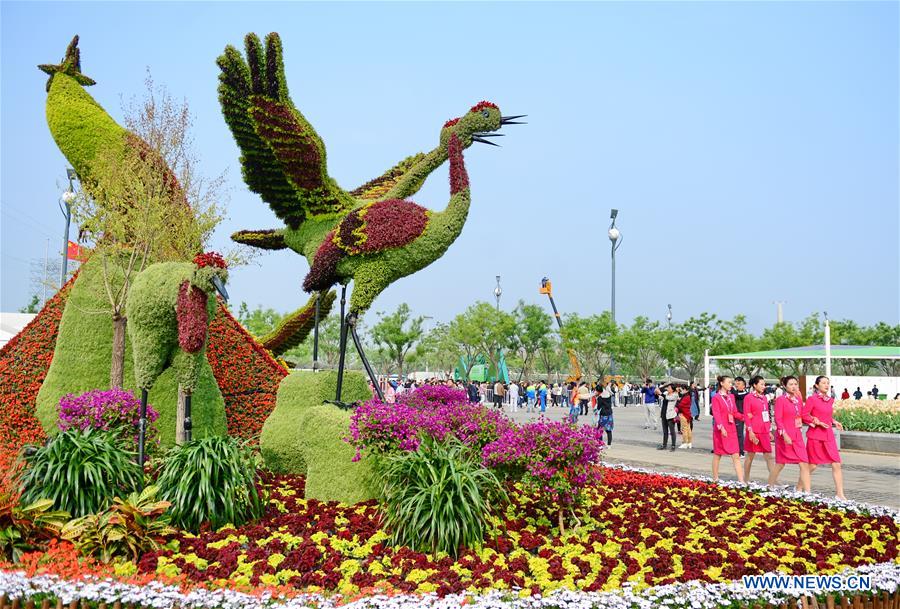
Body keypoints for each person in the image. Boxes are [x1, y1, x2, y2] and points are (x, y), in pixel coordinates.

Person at [805, 376, 846, 499]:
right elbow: (804, 415)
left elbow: (826, 416)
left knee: (836, 464)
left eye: (828, 383)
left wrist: (834, 421)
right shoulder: (811, 399)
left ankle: (840, 494)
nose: (826, 385)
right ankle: (800, 488)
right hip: (815, 435)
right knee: (812, 466)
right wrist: (815, 421)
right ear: (817, 385)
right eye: (823, 383)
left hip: (828, 435)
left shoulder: (830, 400)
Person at [771, 375, 811, 492]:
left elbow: (802, 415)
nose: (794, 387)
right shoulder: (780, 400)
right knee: (780, 464)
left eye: (795, 384)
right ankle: (770, 485)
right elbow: (778, 419)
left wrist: (813, 421)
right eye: (791, 384)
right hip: (785, 437)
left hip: (797, 435)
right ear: (784, 386)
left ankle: (807, 492)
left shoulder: (798, 400)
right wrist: (784, 434)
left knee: (804, 463)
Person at [711, 375, 745, 482]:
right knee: (718, 454)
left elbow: (734, 412)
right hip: (721, 430)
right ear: (722, 383)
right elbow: (716, 414)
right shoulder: (716, 397)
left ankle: (741, 481)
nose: (731, 385)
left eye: (731, 383)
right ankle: (715, 478)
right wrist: (721, 428)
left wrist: (745, 418)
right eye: (729, 382)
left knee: (736, 455)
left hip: (731, 429)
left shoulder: (731, 397)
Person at [743, 375, 775, 483]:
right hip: (754, 431)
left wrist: (769, 430)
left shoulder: (764, 398)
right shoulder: (748, 398)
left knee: (769, 456)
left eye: (764, 384)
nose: (763, 386)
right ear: (754, 385)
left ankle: (773, 481)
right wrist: (750, 431)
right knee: (750, 456)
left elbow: (766, 415)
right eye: (761, 384)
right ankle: (745, 480)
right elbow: (747, 415)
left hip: (764, 431)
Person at [731, 377, 749, 457]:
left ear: (744, 386)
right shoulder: (735, 394)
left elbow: (738, 395)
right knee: (739, 434)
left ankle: (742, 451)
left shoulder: (746, 395)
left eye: (739, 384)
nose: (737, 385)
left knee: (744, 434)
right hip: (737, 416)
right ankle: (739, 451)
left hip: (745, 416)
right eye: (736, 384)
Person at [658, 384, 679, 451]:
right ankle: (664, 445)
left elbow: (667, 398)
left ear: (673, 389)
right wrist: (664, 385)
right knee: (665, 431)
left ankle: (673, 446)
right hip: (663, 414)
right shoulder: (666, 393)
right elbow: (660, 395)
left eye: (669, 388)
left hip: (670, 415)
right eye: (667, 388)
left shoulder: (675, 395)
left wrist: (661, 393)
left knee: (672, 431)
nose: (668, 389)